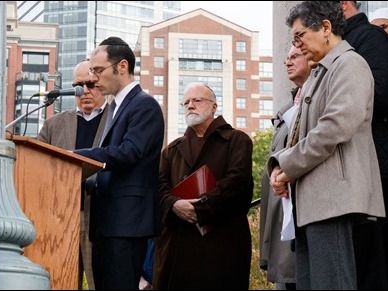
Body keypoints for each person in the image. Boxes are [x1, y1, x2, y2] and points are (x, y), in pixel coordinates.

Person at [269, 1, 385, 289]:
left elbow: (334, 127)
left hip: (334, 198)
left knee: (331, 282)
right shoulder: (318, 74)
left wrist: (287, 166)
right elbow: (299, 133)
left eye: (299, 36)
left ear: (325, 27)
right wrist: (280, 168)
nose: (297, 45)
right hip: (312, 200)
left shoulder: (350, 64)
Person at [73, 36, 165, 290]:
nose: (94, 78)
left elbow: (129, 152)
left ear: (122, 66)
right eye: (92, 71)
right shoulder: (117, 107)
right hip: (107, 225)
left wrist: (76, 156)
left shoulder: (144, 106)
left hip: (127, 225)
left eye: (99, 70)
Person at [153, 82, 253, 290]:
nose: (190, 105)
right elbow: (158, 188)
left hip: (222, 244)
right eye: (186, 102)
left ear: (214, 107)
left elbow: (238, 183)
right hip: (179, 246)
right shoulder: (172, 150)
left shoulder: (236, 140)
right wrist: (174, 204)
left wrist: (199, 208)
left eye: (197, 100)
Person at [38, 59, 109, 290]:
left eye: (91, 84)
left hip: (101, 218)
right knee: (59, 283)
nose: (85, 91)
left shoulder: (117, 120)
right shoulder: (53, 125)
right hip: (59, 218)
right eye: (79, 85)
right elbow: (37, 167)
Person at [341, 1, 388, 289]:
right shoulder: (351, 40)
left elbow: (382, 93)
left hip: (377, 168)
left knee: (375, 261)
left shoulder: (369, 37)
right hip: (358, 169)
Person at [259, 45, 312, 290]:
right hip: (282, 204)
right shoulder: (286, 106)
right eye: (286, 59)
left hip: (305, 203)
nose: (288, 63)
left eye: (295, 56)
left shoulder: (317, 95)